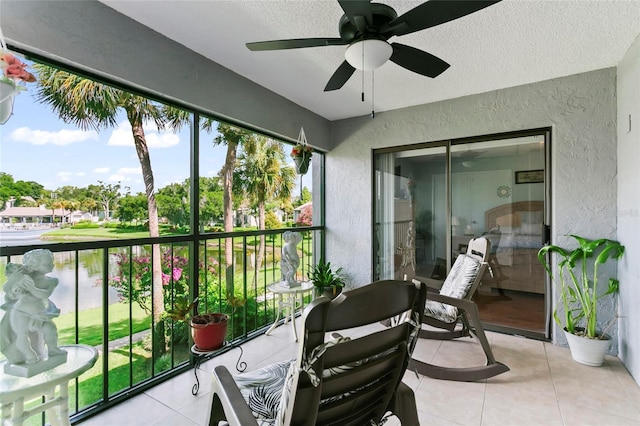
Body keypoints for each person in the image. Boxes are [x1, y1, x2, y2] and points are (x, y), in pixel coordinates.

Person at [0, 249, 65, 365]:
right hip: (20, 313)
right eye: (47, 264)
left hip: (39, 314)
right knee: (22, 335)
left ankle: (53, 349)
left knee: (50, 329)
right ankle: (29, 355)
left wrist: (32, 289)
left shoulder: (52, 281)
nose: (52, 265)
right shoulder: (24, 278)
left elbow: (45, 294)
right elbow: (7, 290)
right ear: (34, 265)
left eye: (52, 262)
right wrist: (14, 279)